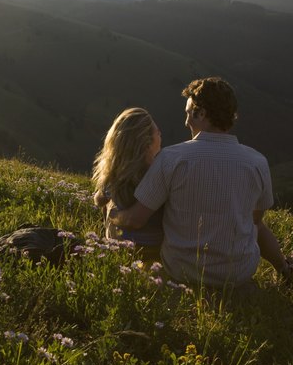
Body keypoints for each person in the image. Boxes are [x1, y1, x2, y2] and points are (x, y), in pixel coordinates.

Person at [109, 77, 291, 289]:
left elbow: (135, 221)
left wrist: (112, 213)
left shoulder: (171, 158)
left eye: (188, 113)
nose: (186, 122)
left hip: (181, 273)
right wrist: (283, 268)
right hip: (237, 276)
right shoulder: (257, 162)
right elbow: (256, 224)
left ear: (201, 113)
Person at [92, 107, 163, 260]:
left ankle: (109, 238)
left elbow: (98, 200)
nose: (160, 135)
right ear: (146, 143)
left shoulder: (115, 174)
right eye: (157, 132)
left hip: (117, 249)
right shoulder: (159, 174)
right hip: (150, 252)